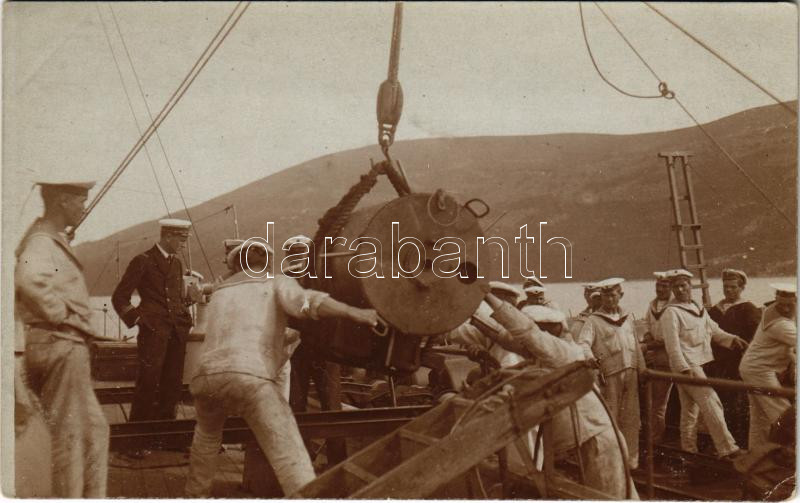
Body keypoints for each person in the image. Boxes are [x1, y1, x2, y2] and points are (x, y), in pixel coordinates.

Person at [184, 240, 378, 497]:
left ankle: (195, 496)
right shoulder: (275, 282)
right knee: (288, 453)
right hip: (249, 377)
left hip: (206, 377)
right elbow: (308, 302)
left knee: (206, 440)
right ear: (266, 263)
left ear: (236, 265)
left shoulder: (220, 292)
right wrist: (356, 312)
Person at [483, 294, 638, 499]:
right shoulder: (542, 360)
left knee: (614, 498)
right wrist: (475, 312)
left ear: (549, 331)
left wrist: (487, 296)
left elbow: (527, 333)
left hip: (599, 443)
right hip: (588, 442)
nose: (521, 344)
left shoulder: (563, 352)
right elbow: (506, 338)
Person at [14, 180, 109, 497]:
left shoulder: (50, 239)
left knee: (96, 432)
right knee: (70, 438)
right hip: (61, 343)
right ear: (62, 201)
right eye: (80, 200)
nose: (84, 207)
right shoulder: (42, 241)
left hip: (65, 344)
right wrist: (61, 314)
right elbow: (29, 278)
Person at [112, 218, 201, 451]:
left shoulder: (176, 264)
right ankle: (135, 441)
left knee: (172, 385)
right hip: (153, 332)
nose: (184, 244)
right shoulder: (143, 261)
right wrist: (138, 320)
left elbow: (173, 301)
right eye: (181, 239)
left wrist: (190, 300)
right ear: (168, 236)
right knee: (148, 383)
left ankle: (164, 438)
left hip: (176, 332)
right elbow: (119, 297)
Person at [659, 269, 749, 459]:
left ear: (690, 286)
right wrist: (684, 369)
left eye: (683, 285)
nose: (680, 290)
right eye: (676, 287)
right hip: (687, 366)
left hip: (698, 362)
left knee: (690, 411)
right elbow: (672, 345)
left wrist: (732, 339)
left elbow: (713, 329)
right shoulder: (671, 312)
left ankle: (688, 450)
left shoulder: (696, 306)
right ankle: (728, 449)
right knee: (711, 402)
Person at [575, 277, 645, 469]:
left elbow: (636, 345)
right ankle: (613, 462)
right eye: (605, 295)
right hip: (610, 375)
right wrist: (590, 358)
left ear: (620, 295)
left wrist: (643, 368)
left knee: (631, 418)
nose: (609, 299)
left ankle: (631, 462)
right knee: (611, 417)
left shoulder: (627, 318)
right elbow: (583, 343)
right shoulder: (594, 320)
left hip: (631, 372)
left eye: (613, 295)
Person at [706, 268, 761, 447]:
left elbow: (755, 339)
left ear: (742, 288)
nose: (728, 290)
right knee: (720, 403)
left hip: (738, 364)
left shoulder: (749, 309)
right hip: (718, 364)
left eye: (733, 287)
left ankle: (741, 442)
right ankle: (724, 443)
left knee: (739, 404)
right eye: (726, 287)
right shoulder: (715, 310)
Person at [739, 283, 796, 448]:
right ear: (776, 299)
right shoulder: (780, 325)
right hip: (759, 370)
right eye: (782, 304)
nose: (785, 308)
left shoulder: (772, 310)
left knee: (760, 418)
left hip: (753, 367)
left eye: (789, 304)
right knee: (785, 415)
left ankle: (755, 455)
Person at [640, 271, 674, 445]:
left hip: (671, 359)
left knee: (659, 403)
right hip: (657, 359)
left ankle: (656, 439)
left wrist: (649, 345)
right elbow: (647, 323)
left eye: (664, 286)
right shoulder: (653, 305)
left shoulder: (675, 306)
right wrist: (647, 335)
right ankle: (654, 436)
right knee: (654, 401)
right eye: (658, 286)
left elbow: (670, 338)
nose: (660, 289)